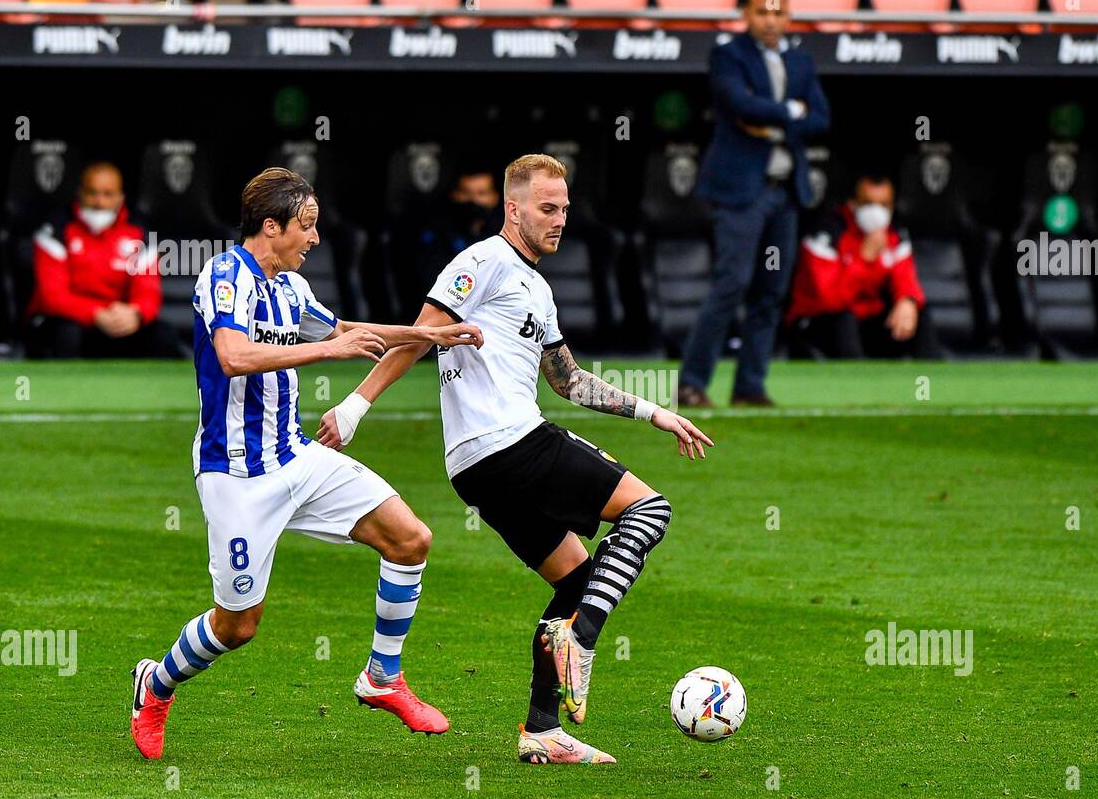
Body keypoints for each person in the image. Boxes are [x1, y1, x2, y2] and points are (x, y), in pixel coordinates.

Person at [319, 154, 714, 765]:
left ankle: (541, 729)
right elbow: (421, 334)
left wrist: (653, 412)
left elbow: (569, 381)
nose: (558, 220)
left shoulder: (537, 287)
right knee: (650, 511)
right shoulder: (483, 262)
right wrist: (354, 406)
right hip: (512, 443)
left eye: (564, 209)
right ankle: (580, 640)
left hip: (479, 469)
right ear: (514, 208)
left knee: (580, 581)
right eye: (546, 208)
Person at [129, 167, 484, 759]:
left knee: (410, 539)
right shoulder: (225, 274)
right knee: (237, 627)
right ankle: (155, 686)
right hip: (236, 473)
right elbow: (233, 355)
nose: (315, 239)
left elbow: (344, 329)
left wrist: (432, 336)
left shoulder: (290, 288)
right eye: (307, 226)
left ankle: (382, 677)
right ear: (272, 226)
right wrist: (330, 350)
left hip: (296, 458)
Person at [677, 0, 830, 408]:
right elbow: (739, 105)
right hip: (741, 191)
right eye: (762, 12)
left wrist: (776, 119)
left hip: (785, 192)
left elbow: (820, 117)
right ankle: (691, 384)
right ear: (746, 14)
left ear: (789, 16)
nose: (770, 20)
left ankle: (749, 386)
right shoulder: (728, 54)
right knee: (732, 283)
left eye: (778, 12)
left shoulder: (800, 61)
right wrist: (790, 111)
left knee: (771, 291)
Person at [26, 161, 181, 359]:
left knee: (163, 336)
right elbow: (53, 297)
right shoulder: (55, 231)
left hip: (119, 322)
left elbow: (148, 293)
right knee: (66, 334)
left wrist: (135, 314)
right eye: (92, 193)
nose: (99, 202)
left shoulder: (140, 234)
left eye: (107, 194)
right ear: (80, 193)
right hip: (71, 323)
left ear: (120, 197)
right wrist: (96, 313)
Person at [786, 174, 942, 359]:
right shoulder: (827, 233)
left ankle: (934, 382)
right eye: (868, 203)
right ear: (853, 203)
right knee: (844, 319)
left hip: (866, 321)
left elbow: (907, 280)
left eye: (884, 205)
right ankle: (857, 383)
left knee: (917, 312)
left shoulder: (894, 234)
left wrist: (907, 301)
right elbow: (830, 300)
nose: (876, 212)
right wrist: (864, 259)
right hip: (818, 323)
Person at [401, 166, 504, 315]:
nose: (473, 201)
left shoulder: (505, 234)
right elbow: (429, 283)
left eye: (481, 194)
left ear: (495, 197)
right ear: (454, 194)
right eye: (466, 193)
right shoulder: (435, 234)